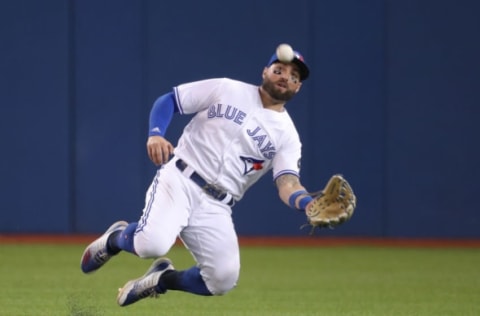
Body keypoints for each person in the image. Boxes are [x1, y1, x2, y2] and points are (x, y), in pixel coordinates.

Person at [80, 44, 316, 307]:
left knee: (222, 279)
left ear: (298, 87)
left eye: (294, 76)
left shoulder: (288, 136)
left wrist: (307, 203)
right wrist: (156, 133)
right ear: (265, 71)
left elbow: (287, 182)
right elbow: (170, 100)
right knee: (151, 245)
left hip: (218, 205)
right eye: (279, 69)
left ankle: (161, 280)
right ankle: (114, 240)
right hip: (180, 178)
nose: (285, 76)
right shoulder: (227, 88)